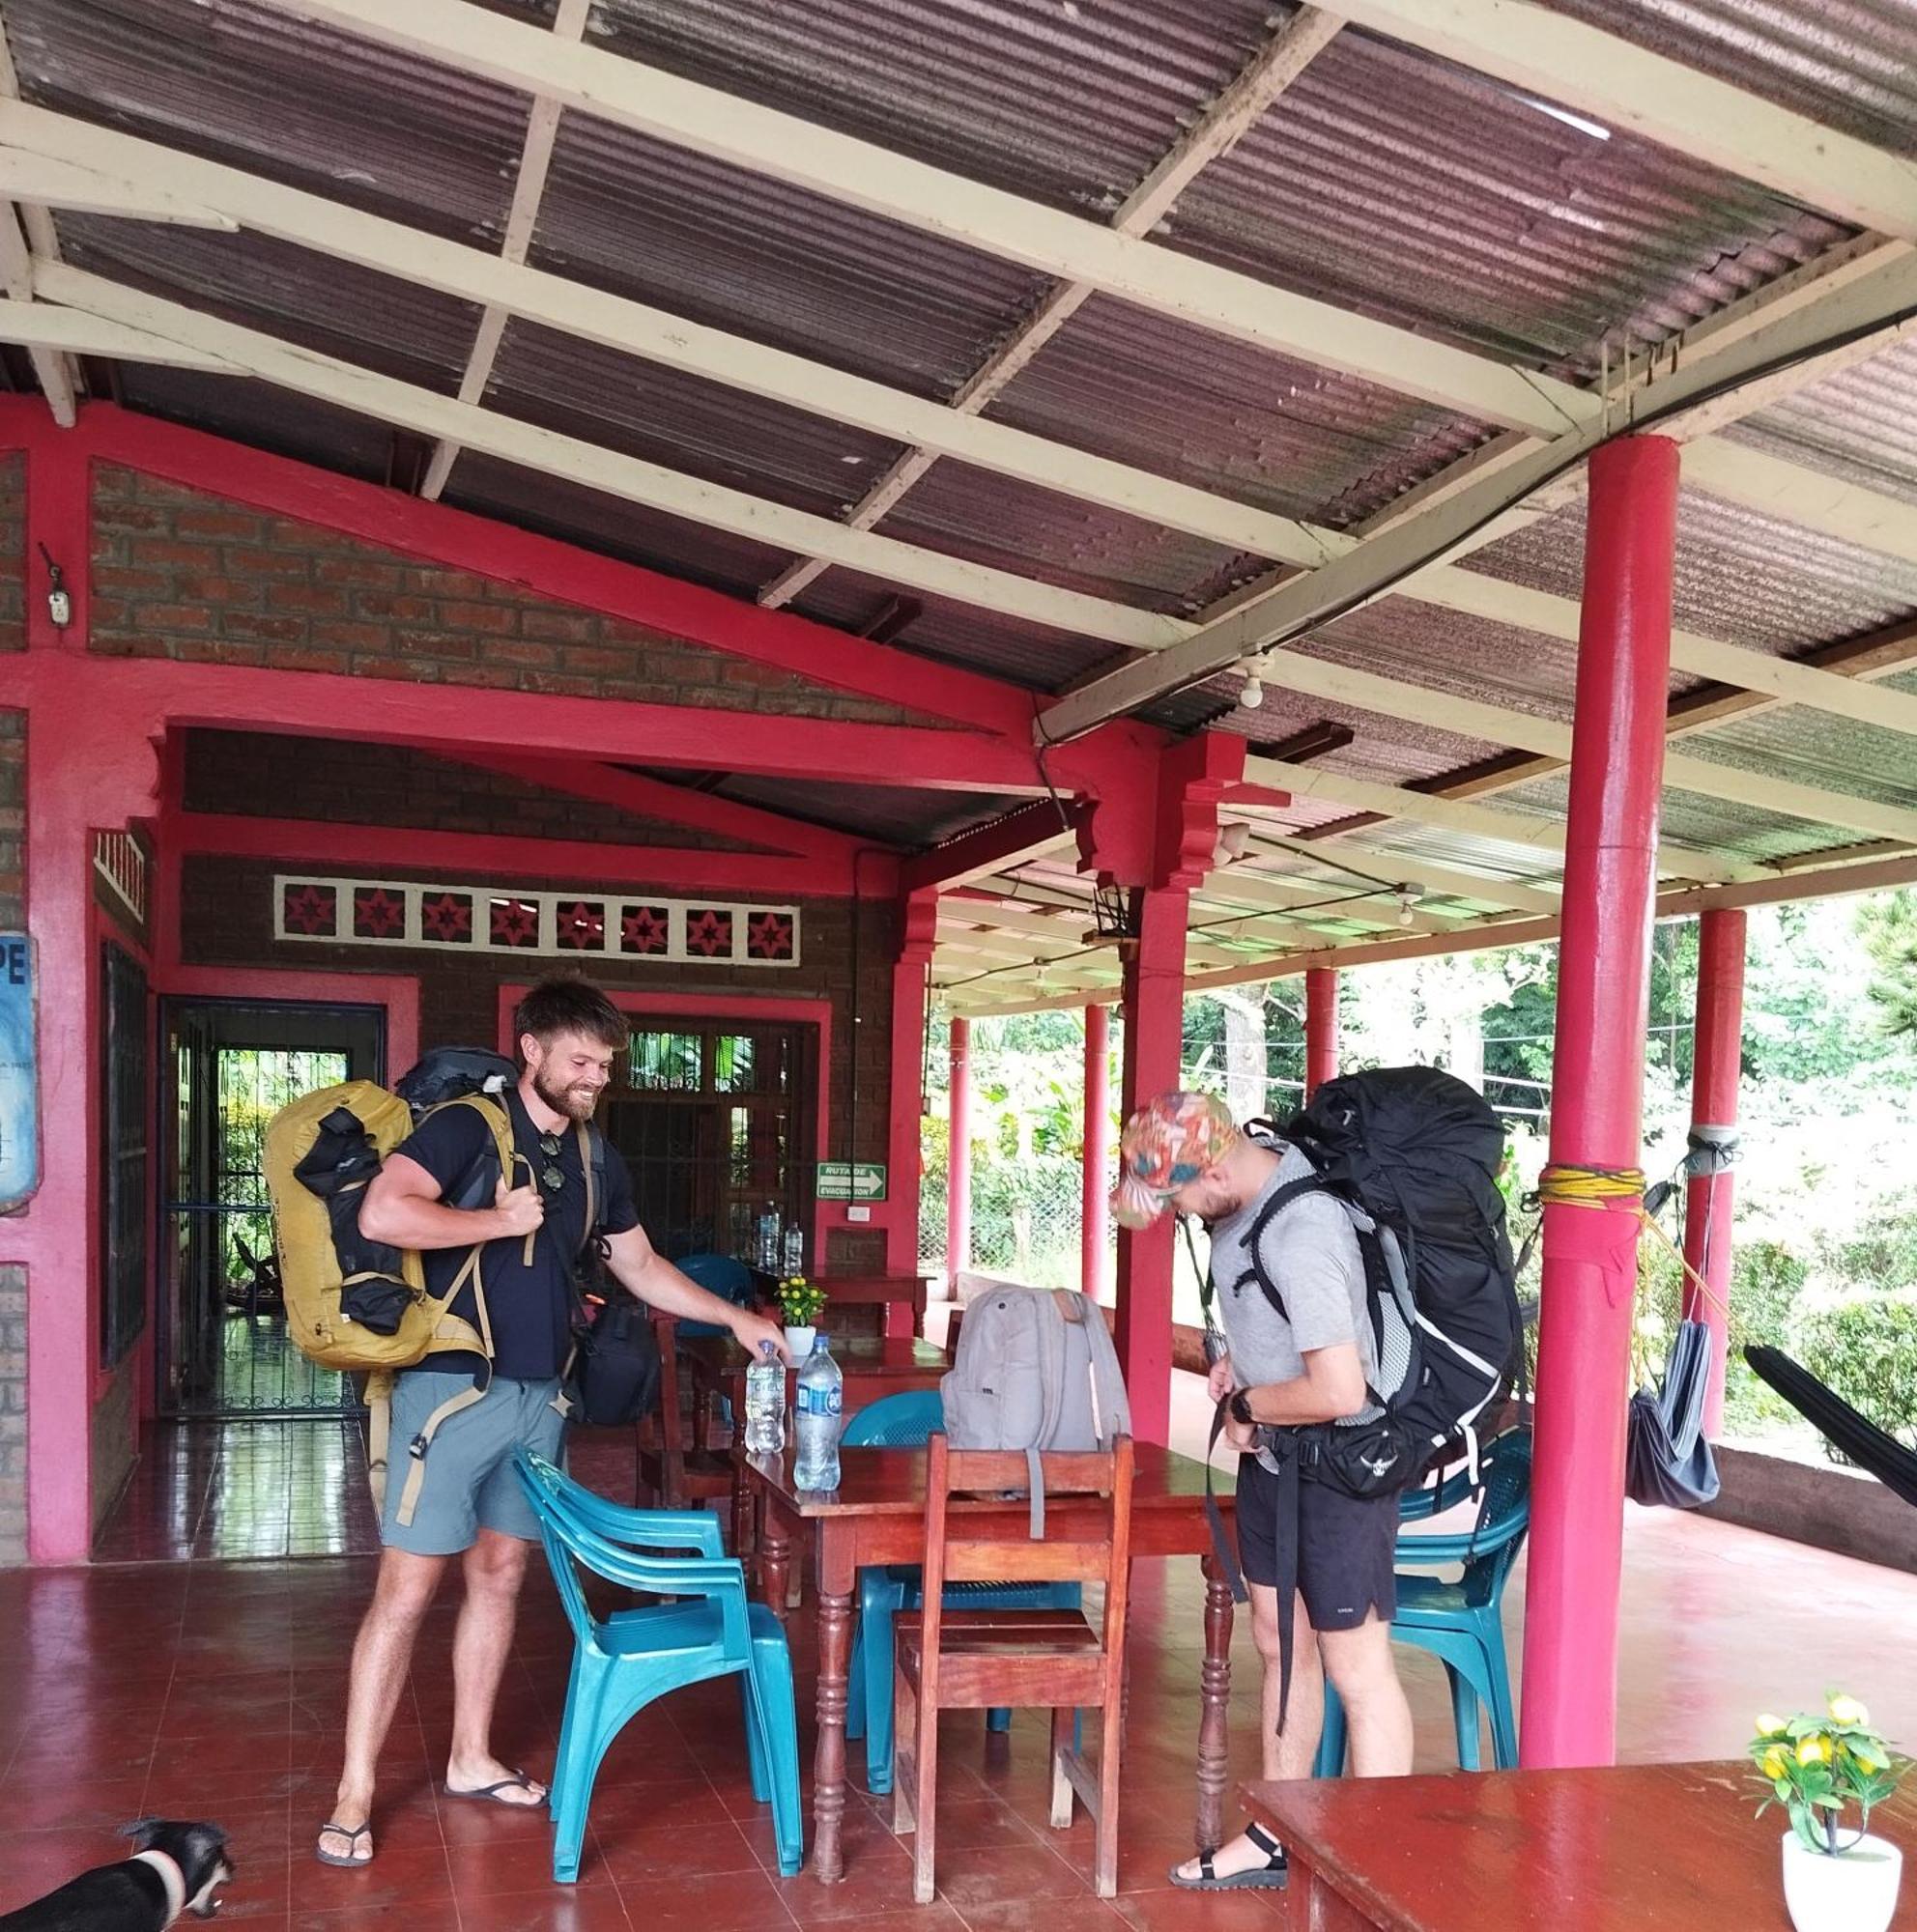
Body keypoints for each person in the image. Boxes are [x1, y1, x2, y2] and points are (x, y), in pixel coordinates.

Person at [314, 977, 788, 1868]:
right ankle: (353, 1794)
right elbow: (383, 1209)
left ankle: (469, 1757)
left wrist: (734, 1318)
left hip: (542, 1400)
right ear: (530, 1049)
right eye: (579, 1061)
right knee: (406, 1593)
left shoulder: (596, 1161)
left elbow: (639, 1263)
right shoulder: (463, 1126)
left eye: (604, 1065)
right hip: (451, 1394)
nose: (592, 1079)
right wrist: (495, 1217)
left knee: (498, 1574)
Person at [1111, 1092, 1413, 1892]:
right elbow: (1280, 1338)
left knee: (1359, 1669)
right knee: (1282, 1647)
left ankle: (1375, 1865)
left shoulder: (1302, 1229)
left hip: (1343, 1469)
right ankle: (1279, 1832)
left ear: (1212, 1169)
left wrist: (1246, 1406)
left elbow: (1341, 1388)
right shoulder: (1232, 1212)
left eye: (1174, 1199)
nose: (1174, 1216)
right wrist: (1240, 1373)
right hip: (1279, 1463)